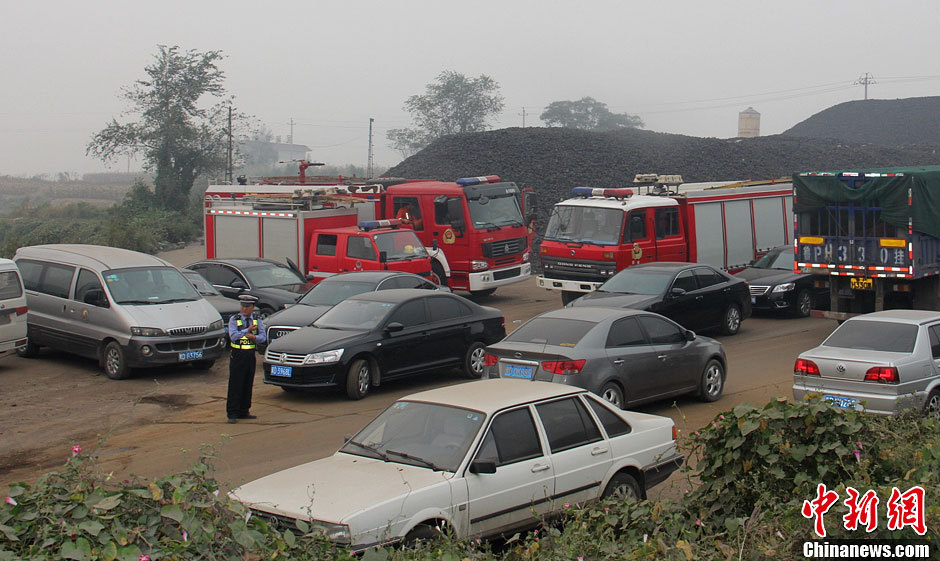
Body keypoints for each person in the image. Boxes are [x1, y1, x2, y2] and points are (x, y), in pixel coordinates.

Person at [226, 294, 266, 423]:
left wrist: (255, 338)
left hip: (250, 355)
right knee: (235, 384)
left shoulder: (257, 319)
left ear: (252, 307)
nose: (244, 309)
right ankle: (232, 413)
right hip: (238, 354)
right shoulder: (234, 319)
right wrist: (246, 330)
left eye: (247, 306)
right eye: (242, 306)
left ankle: (244, 411)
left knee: (247, 383)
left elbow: (263, 337)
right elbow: (233, 336)